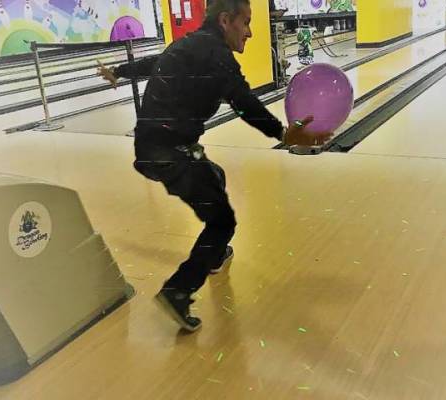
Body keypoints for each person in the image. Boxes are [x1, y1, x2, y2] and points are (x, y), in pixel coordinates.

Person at [98, 0, 333, 332]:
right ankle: (178, 291)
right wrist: (284, 133)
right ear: (226, 20)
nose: (250, 32)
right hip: (171, 152)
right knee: (223, 221)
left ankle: (215, 255)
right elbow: (245, 103)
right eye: (246, 22)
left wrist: (119, 71)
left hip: (152, 147)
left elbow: (156, 63)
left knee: (215, 176)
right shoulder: (218, 57)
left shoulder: (187, 44)